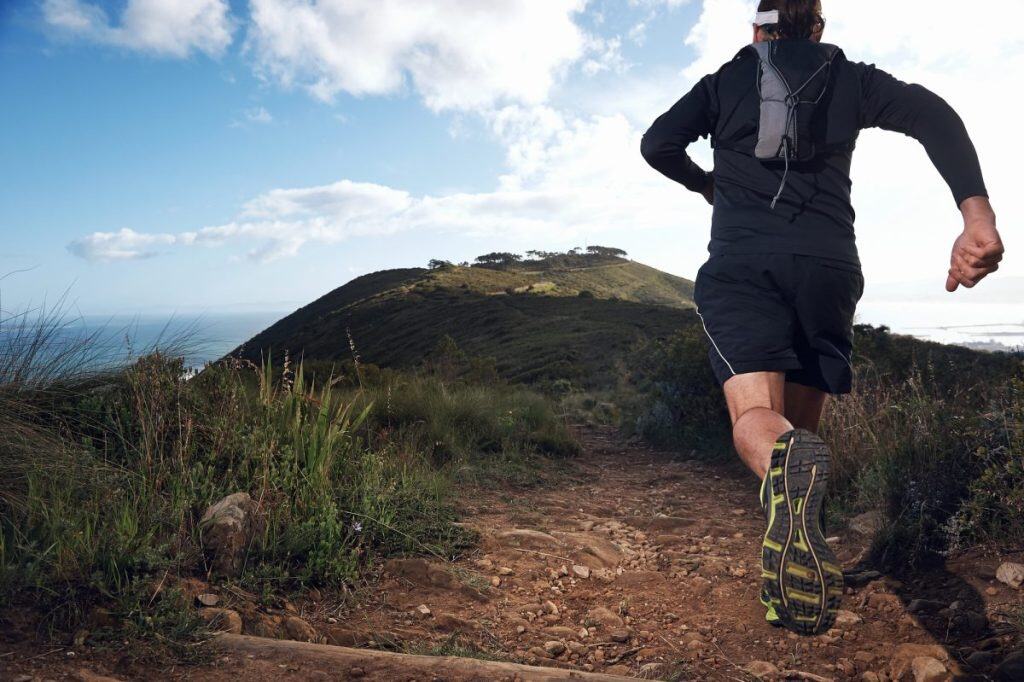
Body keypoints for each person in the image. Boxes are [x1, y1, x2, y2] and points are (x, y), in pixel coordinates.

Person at [640, 0, 1004, 636]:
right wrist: (976, 216)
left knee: (763, 425)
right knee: (799, 439)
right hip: (829, 269)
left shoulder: (724, 79)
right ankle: (792, 574)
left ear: (757, 30)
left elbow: (656, 143)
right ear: (818, 27)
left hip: (744, 267)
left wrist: (706, 184)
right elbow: (933, 116)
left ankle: (789, 562)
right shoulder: (850, 76)